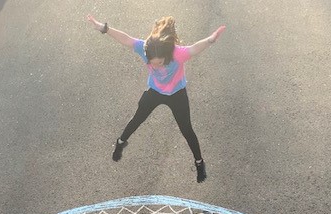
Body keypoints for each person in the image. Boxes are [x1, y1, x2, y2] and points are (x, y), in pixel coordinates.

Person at [87, 15, 226, 183]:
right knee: (138, 118)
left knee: (187, 130)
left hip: (177, 94)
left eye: (159, 63)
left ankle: (199, 163)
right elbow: (126, 39)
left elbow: (195, 48)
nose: (156, 66)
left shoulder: (177, 53)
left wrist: (210, 40)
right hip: (155, 91)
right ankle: (121, 141)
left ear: (166, 56)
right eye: (152, 63)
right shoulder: (145, 48)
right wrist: (104, 28)